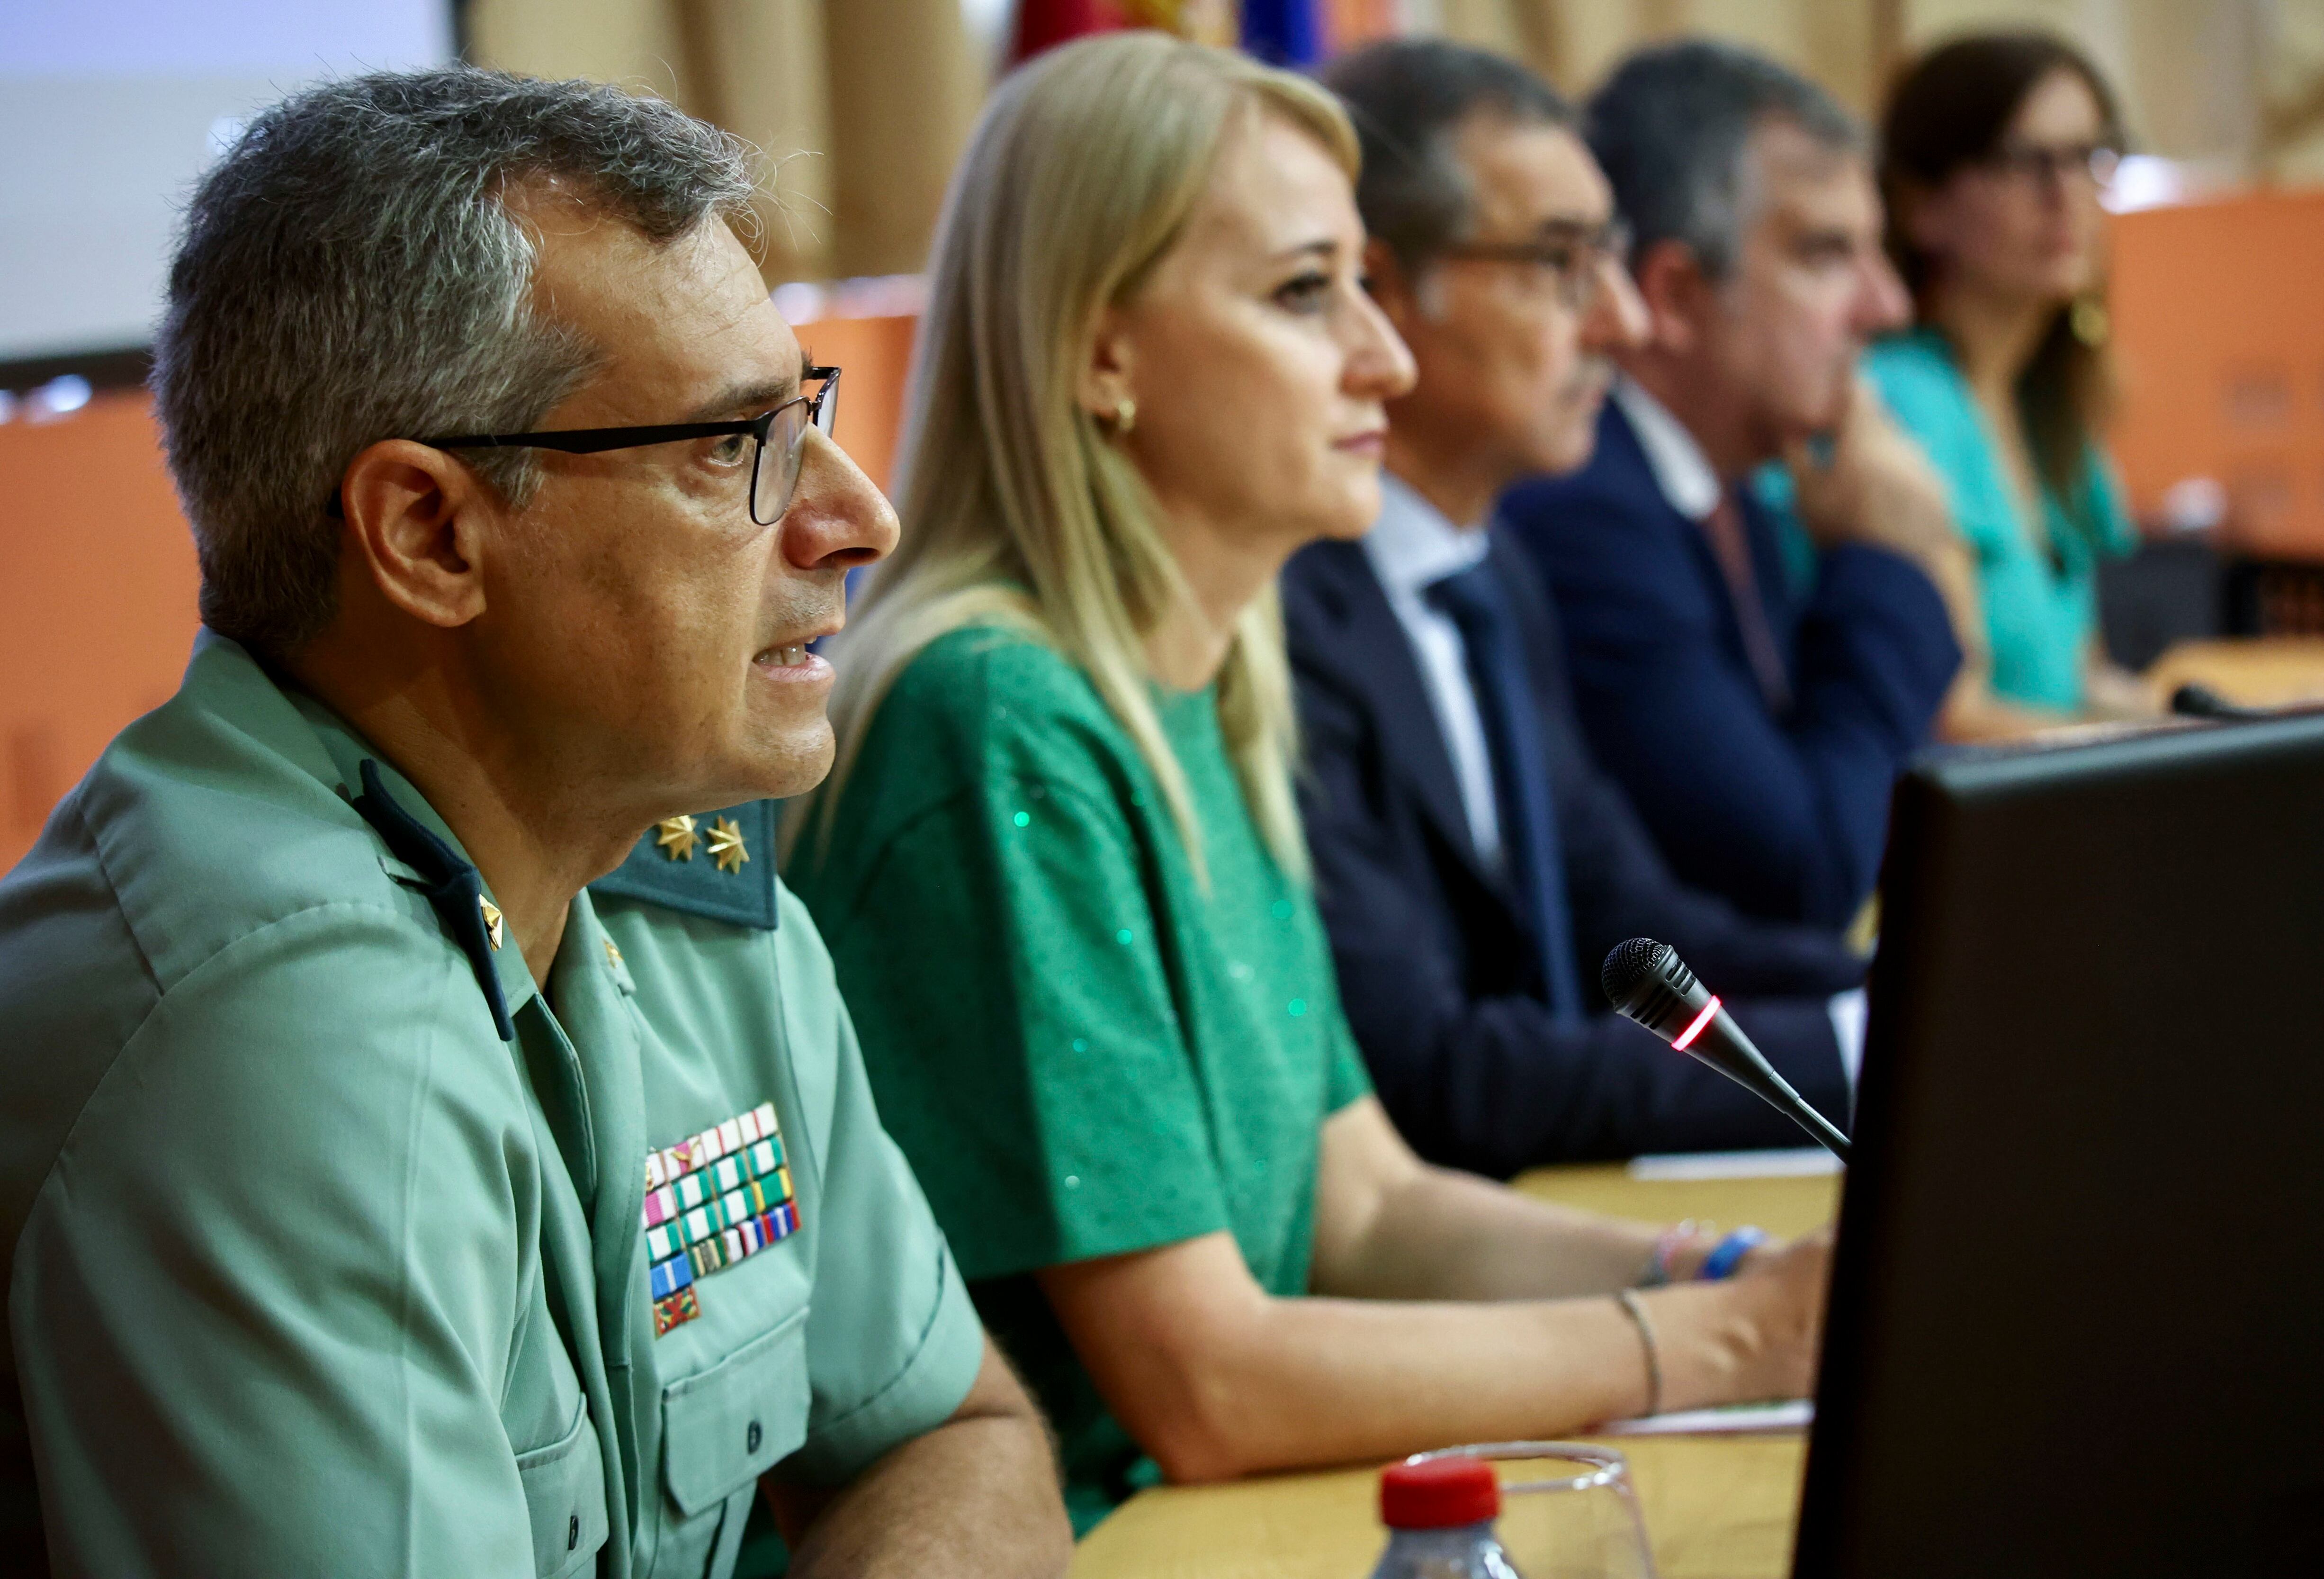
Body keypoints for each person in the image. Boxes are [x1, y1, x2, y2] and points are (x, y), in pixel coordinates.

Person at [0, 69, 1068, 1577]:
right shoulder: (270, 1031)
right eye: (728, 446)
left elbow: (951, 1433)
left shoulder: (671, 869)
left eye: (801, 412)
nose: (858, 516)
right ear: (431, 532)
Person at [785, 33, 1833, 1535]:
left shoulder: (1215, 674)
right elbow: (1205, 1377)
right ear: (1101, 352)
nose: (1384, 357)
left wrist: (1728, 1270)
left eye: (1366, 283)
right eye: (1302, 292)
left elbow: (1370, 1205)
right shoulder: (994, 711)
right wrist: (1727, 1340)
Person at [1287, 38, 1874, 1177]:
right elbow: (1428, 1068)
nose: (1621, 320)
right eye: (1561, 264)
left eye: (1609, 260)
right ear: (1387, 290)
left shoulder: (1491, 564)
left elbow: (1637, 931)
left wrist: (1905, 993)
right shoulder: (1286, 614)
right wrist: (1847, 1050)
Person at [1497, 40, 1968, 929]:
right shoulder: (1587, 514)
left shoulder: (1733, 489)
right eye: (1828, 255)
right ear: (1674, 293)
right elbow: (1807, 870)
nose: (1887, 306)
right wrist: (1886, 564)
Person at [1874, 30, 2146, 736]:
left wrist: (2241, 724)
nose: (2066, 195)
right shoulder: (1904, 396)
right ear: (1922, 206)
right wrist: (2163, 744)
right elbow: (1951, 719)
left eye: (2089, 157)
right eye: (2024, 162)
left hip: (2062, 808)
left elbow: (2082, 682)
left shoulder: (2046, 404)